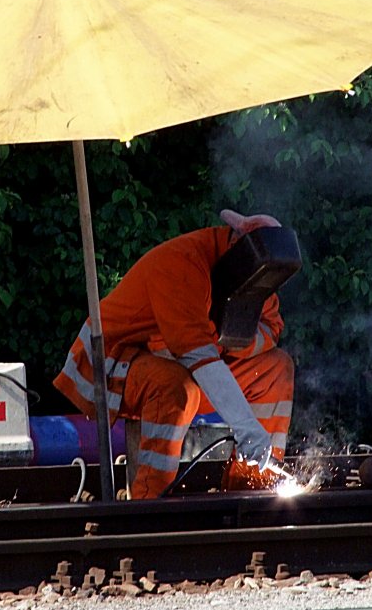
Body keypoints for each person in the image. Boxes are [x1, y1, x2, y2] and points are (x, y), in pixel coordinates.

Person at [54, 209, 295, 499]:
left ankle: (250, 487)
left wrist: (230, 344)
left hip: (179, 365)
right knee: (176, 386)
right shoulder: (181, 263)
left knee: (277, 369)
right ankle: (149, 504)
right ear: (237, 249)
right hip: (107, 362)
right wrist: (245, 424)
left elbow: (270, 327)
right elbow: (198, 357)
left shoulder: (254, 272)